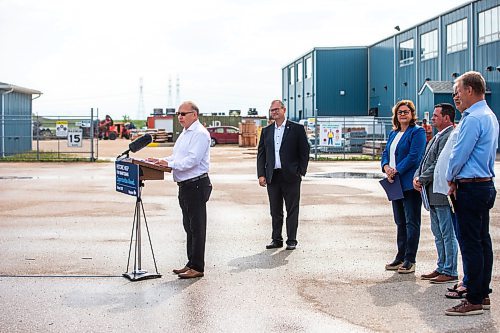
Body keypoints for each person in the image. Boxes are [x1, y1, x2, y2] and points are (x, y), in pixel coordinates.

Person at [445, 71, 498, 316]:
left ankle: (474, 298)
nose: (456, 96)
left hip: (471, 186)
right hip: (484, 184)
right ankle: (482, 293)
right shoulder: (489, 115)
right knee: (482, 241)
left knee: (470, 244)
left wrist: (450, 177)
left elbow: (459, 153)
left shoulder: (473, 118)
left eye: (458, 90)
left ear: (469, 90)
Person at [147, 101, 212, 279]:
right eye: (178, 114)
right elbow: (177, 157)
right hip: (185, 185)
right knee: (189, 228)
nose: (180, 117)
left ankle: (198, 267)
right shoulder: (185, 133)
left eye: (184, 114)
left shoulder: (199, 134)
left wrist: (169, 164)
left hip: (196, 185)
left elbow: (192, 161)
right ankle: (191, 263)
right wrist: (160, 160)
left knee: (197, 228)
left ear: (195, 115)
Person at [413, 103, 458, 284]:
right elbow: (424, 161)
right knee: (437, 232)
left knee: (447, 232)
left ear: (446, 118)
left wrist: (421, 179)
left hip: (440, 192)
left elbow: (438, 163)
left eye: (436, 115)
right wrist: (417, 176)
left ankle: (450, 269)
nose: (432, 118)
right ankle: (441, 266)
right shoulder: (436, 137)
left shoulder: (450, 136)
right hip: (431, 193)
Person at [257, 99, 310, 250]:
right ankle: (276, 239)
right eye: (271, 110)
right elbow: (261, 154)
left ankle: (291, 240)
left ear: (283, 110)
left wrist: (300, 171)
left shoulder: (296, 129)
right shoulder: (267, 131)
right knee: (275, 210)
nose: (274, 112)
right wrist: (261, 174)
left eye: (276, 109)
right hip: (273, 176)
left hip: (291, 176)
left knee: (292, 209)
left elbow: (304, 151)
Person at [381, 100, 426, 273]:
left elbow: (415, 157)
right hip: (394, 183)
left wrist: (396, 170)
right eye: (400, 112)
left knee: (411, 221)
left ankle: (410, 259)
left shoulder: (417, 132)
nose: (403, 114)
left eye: (406, 112)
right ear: (396, 115)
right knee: (400, 221)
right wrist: (386, 167)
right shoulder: (393, 134)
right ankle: (400, 257)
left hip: (409, 183)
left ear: (412, 114)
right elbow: (385, 153)